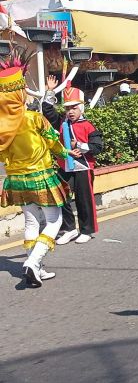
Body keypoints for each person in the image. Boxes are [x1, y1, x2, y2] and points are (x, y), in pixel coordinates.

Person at [1, 54, 70, 287]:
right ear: (19, 93)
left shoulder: (2, 126)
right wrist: (65, 154)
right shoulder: (34, 119)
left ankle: (36, 268)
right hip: (40, 176)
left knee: (31, 223)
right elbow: (54, 142)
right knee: (54, 221)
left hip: (16, 180)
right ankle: (33, 262)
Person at [42, 79, 104, 245]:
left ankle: (86, 230)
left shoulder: (89, 126)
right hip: (65, 167)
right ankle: (69, 229)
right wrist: (50, 91)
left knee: (84, 200)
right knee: (61, 197)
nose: (70, 111)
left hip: (83, 167)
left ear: (81, 108)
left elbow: (97, 147)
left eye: (74, 108)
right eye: (68, 108)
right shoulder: (62, 123)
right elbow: (47, 110)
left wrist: (81, 146)